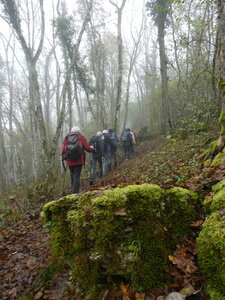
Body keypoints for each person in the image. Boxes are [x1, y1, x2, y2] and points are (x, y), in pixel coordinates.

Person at [61, 126, 94, 194]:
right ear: (79, 131)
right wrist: (92, 148)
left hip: (69, 161)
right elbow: (87, 148)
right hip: (78, 160)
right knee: (77, 175)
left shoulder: (67, 137)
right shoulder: (80, 137)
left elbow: (63, 150)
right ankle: (75, 193)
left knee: (72, 175)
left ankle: (73, 192)